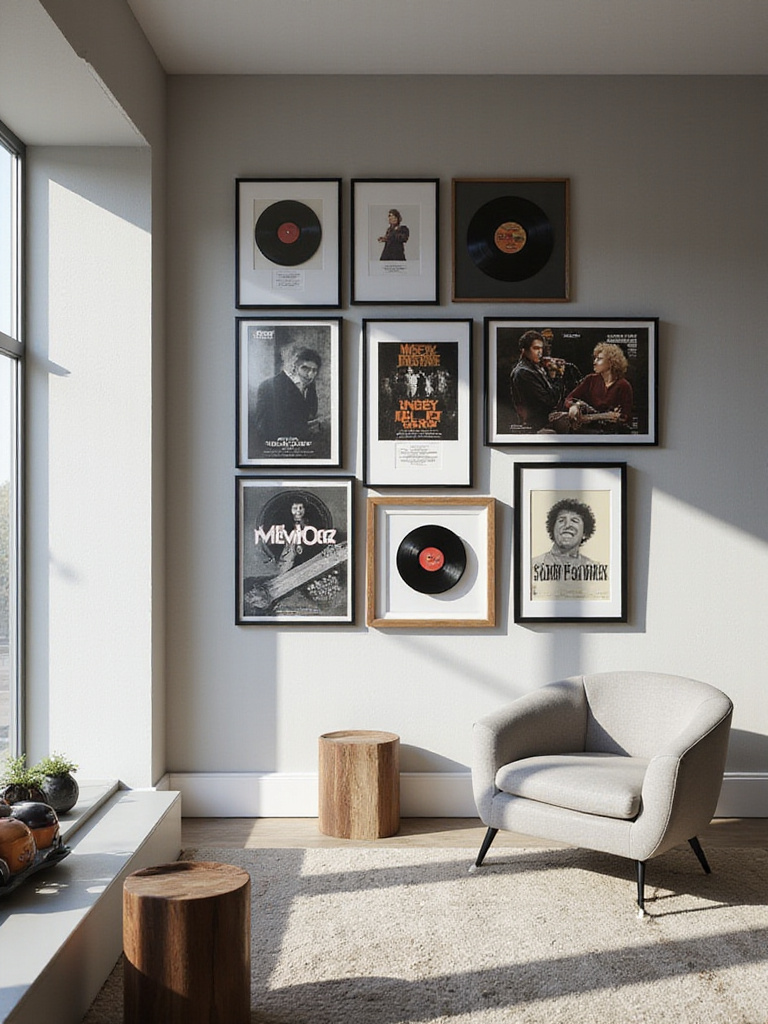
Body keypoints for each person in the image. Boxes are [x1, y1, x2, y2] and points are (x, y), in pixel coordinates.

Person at [251, 347, 322, 452]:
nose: (310, 375)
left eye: (314, 370)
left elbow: (310, 413)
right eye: (305, 368)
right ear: (294, 366)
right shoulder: (268, 387)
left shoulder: (310, 386)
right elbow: (263, 427)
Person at [564, 342, 633, 432]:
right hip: (589, 427)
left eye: (599, 359)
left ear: (611, 362)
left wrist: (591, 417)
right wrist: (573, 406)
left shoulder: (624, 385)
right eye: (595, 358)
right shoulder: (590, 379)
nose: (594, 362)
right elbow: (570, 398)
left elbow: (624, 417)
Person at [509, 330, 563, 432]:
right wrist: (556, 377)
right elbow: (550, 401)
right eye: (535, 348)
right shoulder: (524, 372)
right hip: (536, 428)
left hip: (544, 423)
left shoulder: (534, 368)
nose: (540, 352)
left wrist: (551, 374)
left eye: (541, 348)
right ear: (524, 350)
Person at [532, 498, 596, 569]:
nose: (567, 525)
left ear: (584, 533)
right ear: (552, 529)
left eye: (574, 521)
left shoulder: (593, 567)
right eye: (561, 520)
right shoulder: (533, 566)